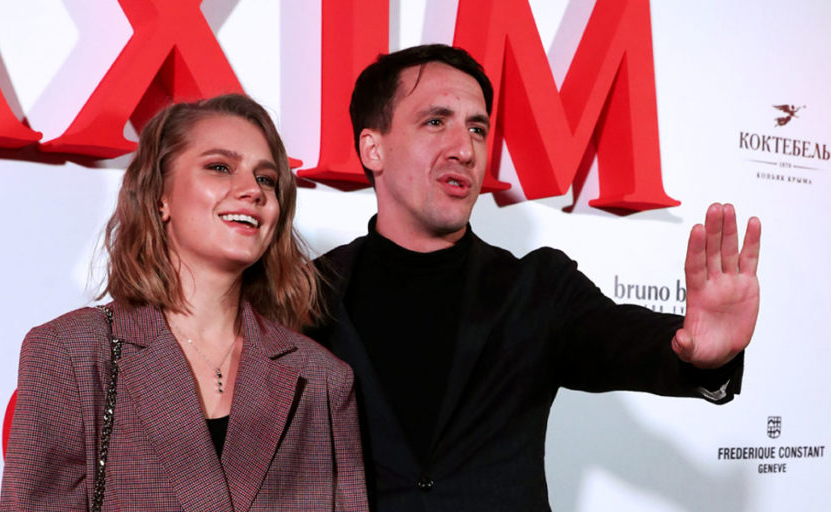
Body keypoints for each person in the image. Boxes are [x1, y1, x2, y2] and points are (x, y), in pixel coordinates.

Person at [305, 44, 761, 511]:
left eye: (477, 129)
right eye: (436, 121)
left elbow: (624, 340)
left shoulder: (536, 288)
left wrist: (708, 356)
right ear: (373, 148)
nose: (464, 149)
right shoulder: (308, 295)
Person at [1, 94, 368, 511]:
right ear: (161, 196)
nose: (252, 190)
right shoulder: (71, 353)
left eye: (266, 179)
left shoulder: (321, 378)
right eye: (220, 167)